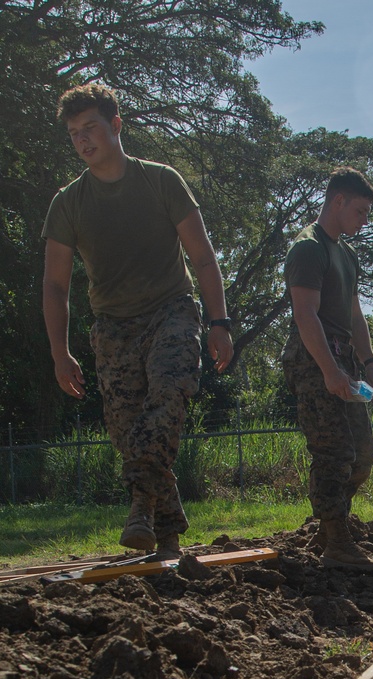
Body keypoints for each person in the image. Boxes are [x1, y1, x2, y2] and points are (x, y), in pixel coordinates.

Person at [42, 82, 233, 557]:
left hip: (171, 311)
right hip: (112, 328)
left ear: (116, 125)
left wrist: (219, 322)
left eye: (91, 128)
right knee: (128, 432)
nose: (83, 140)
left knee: (168, 398)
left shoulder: (161, 180)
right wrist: (59, 351)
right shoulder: (67, 203)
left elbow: (204, 258)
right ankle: (164, 534)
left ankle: (140, 507)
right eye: (74, 133)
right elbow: (55, 286)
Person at [282, 168, 373, 575]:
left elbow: (355, 313)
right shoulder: (308, 248)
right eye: (360, 211)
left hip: (345, 360)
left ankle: (329, 530)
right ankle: (338, 543)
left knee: (362, 457)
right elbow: (305, 314)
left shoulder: (346, 253)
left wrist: (370, 364)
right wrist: (328, 371)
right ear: (337, 201)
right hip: (314, 360)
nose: (364, 220)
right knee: (333, 454)